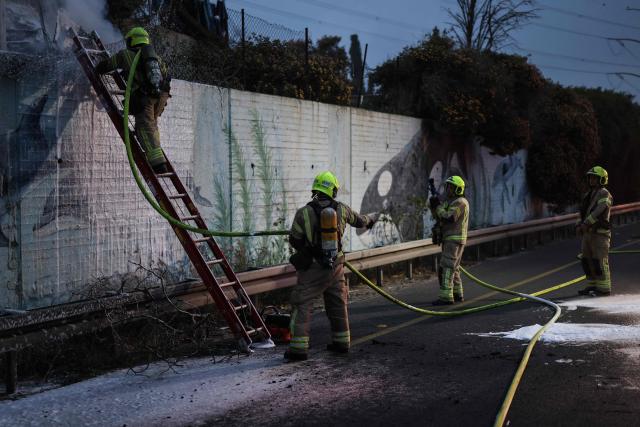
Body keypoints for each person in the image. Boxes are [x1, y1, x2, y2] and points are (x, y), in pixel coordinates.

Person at [285, 171, 378, 361]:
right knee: (337, 303)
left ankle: (298, 349)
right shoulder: (342, 209)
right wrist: (372, 219)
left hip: (313, 268)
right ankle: (342, 342)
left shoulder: (303, 212)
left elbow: (294, 239)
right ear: (333, 191)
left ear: (316, 189)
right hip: (336, 266)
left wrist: (309, 249)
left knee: (302, 303)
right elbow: (361, 221)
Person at [96, 27, 171, 174]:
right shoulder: (156, 58)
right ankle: (156, 154)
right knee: (152, 125)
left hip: (145, 98)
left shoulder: (126, 55)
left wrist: (97, 67)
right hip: (161, 97)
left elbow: (106, 66)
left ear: (132, 40)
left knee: (144, 127)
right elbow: (166, 76)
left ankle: (158, 164)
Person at [429, 175, 469, 305]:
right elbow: (438, 217)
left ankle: (446, 297)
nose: (448, 190)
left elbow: (449, 217)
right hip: (450, 238)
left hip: (454, 239)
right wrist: (434, 206)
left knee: (446, 268)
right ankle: (458, 294)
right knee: (454, 268)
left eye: (451, 187)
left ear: (458, 189)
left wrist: (439, 208)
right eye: (448, 187)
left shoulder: (461, 202)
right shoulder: (451, 202)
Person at [576, 166, 613, 296]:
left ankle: (604, 288)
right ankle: (591, 285)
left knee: (599, 261)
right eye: (590, 177)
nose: (591, 180)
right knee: (586, 260)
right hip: (588, 233)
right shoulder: (588, 195)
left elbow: (599, 210)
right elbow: (582, 212)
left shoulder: (604, 193)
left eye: (595, 178)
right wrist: (578, 224)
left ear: (602, 179)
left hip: (600, 234)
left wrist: (586, 223)